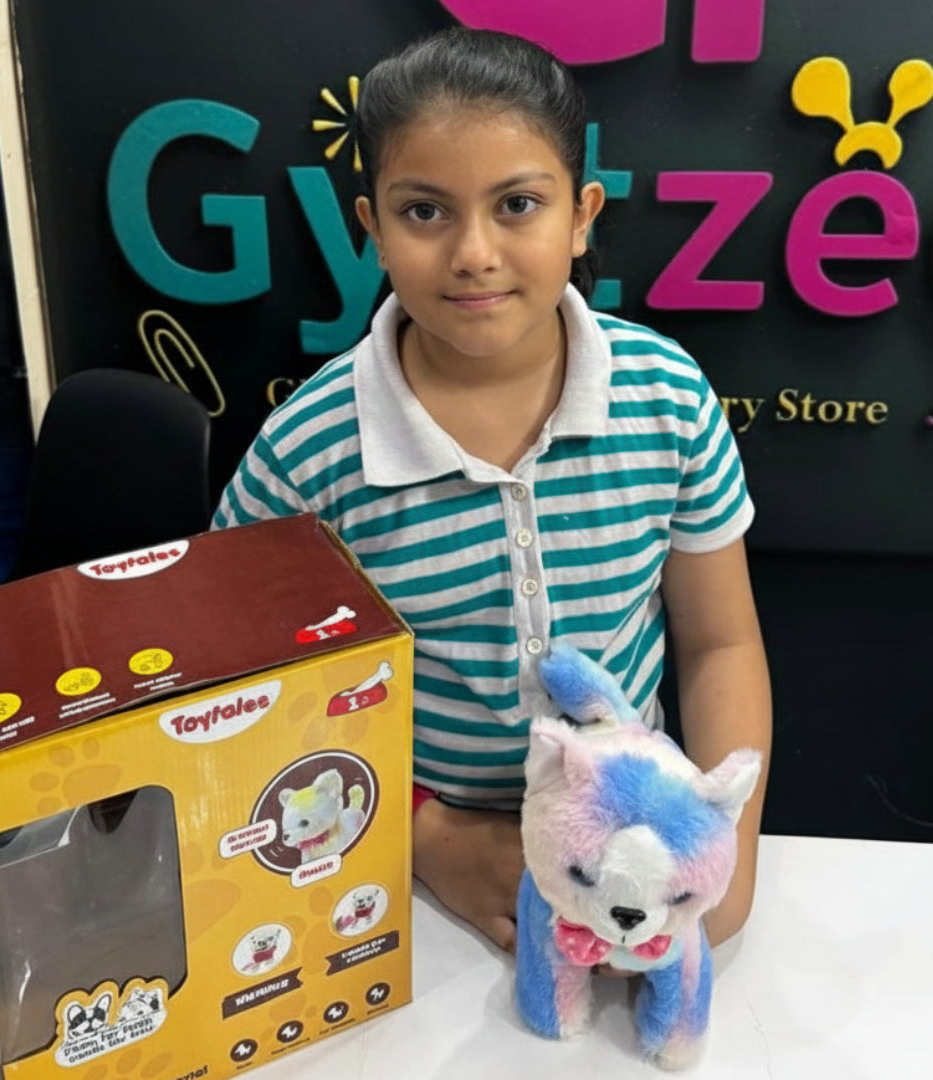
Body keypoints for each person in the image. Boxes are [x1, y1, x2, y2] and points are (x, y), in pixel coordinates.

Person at [213, 27, 772, 962]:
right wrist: (425, 840)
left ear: (583, 214)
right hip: (406, 870)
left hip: (637, 850)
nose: (473, 252)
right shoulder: (307, 451)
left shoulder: (667, 394)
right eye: (424, 211)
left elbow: (721, 643)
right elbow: (243, 692)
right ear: (372, 227)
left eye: (518, 203)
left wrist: (727, 852)